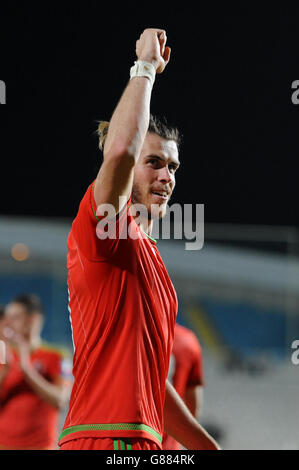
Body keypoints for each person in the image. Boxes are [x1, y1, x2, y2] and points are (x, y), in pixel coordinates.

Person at [59, 28, 219, 451]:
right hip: (105, 437)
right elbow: (118, 154)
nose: (168, 176)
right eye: (154, 162)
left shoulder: (152, 264)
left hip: (142, 442)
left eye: (174, 166)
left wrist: (206, 448)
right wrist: (145, 67)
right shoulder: (106, 232)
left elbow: (151, 384)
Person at [0, 294, 71, 450]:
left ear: (34, 319)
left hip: (40, 446)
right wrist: (5, 369)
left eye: (15, 317)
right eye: (8, 317)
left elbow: (60, 400)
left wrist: (27, 369)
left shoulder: (57, 356)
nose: (9, 323)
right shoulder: (4, 355)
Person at [163, 323, 205, 450]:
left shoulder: (132, 332)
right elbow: (193, 408)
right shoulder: (188, 340)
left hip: (135, 441)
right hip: (170, 446)